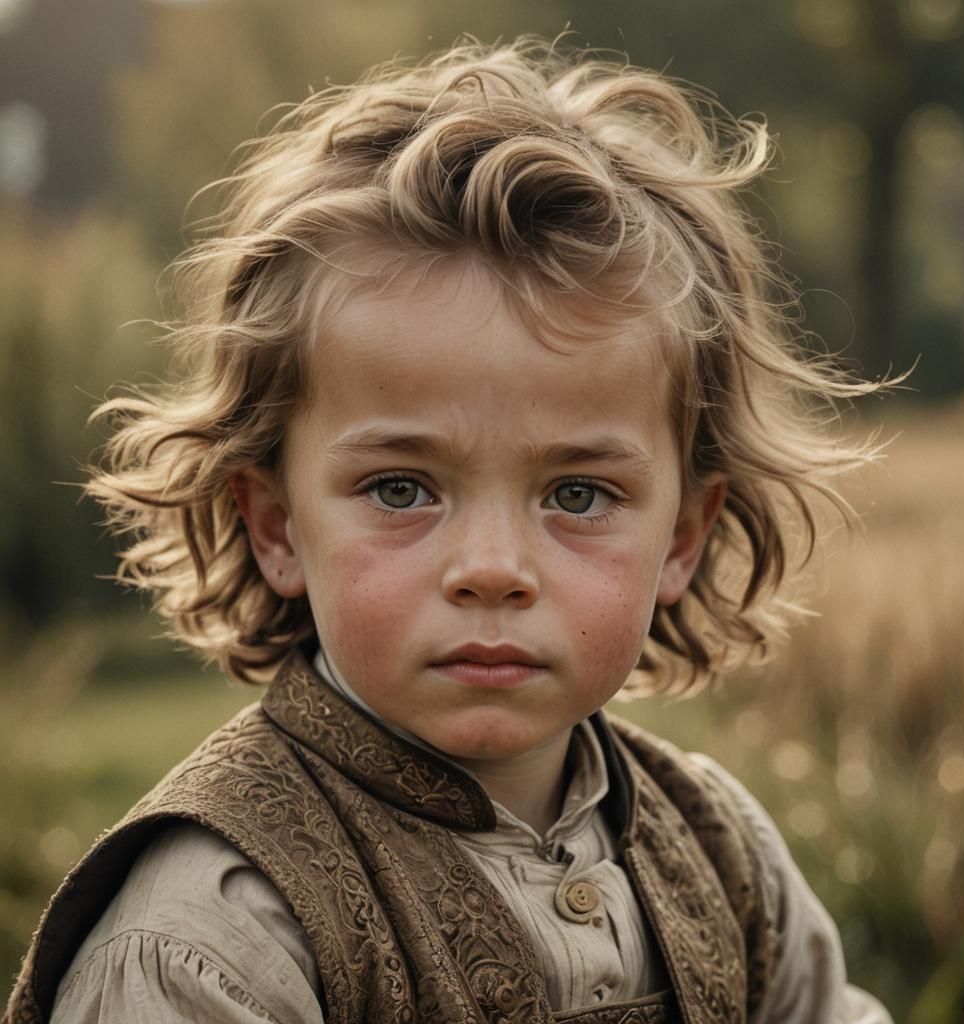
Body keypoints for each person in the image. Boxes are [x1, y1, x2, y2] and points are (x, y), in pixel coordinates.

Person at [5, 36, 893, 1024]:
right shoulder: (209, 941)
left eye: (578, 495)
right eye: (399, 488)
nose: (492, 570)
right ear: (276, 525)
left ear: (682, 537)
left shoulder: (726, 856)